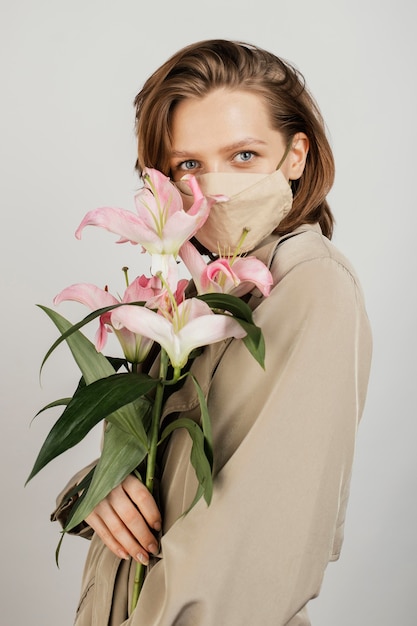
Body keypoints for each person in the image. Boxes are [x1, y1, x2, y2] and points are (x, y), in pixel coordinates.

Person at [52, 39, 372, 625]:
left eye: (245, 155)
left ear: (295, 156)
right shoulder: (201, 292)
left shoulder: (308, 285)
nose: (215, 190)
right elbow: (172, 482)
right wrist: (95, 485)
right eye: (189, 165)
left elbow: (249, 556)